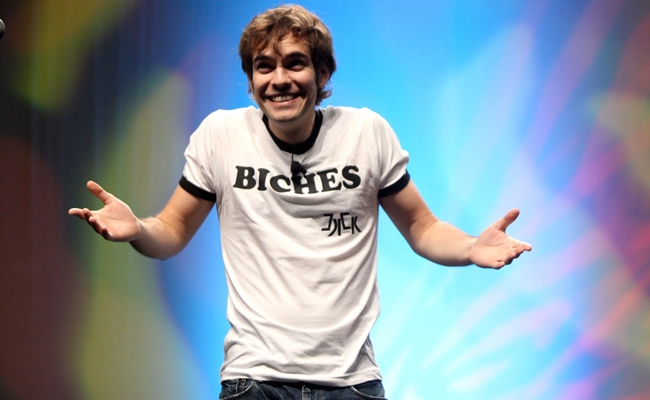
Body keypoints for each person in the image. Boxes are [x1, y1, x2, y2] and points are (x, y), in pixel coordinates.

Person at [69, 5, 532, 399]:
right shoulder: (221, 136)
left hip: (351, 383)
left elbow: (422, 227)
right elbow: (171, 231)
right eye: (264, 67)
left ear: (323, 73)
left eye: (295, 64)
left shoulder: (366, 133)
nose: (279, 80)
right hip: (254, 380)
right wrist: (138, 229)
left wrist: (471, 247)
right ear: (250, 79)